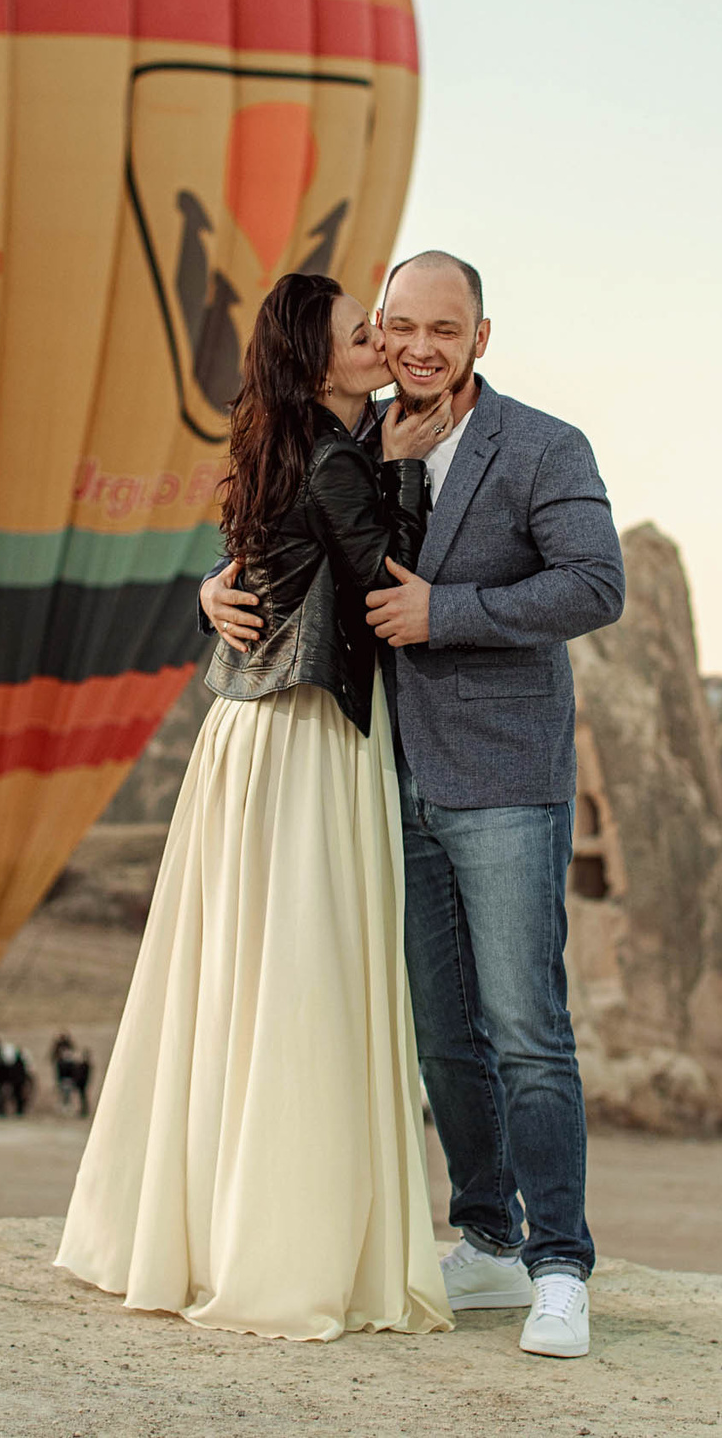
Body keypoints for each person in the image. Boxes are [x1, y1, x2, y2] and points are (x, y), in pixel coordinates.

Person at [201, 251, 624, 1359]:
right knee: (444, 1036)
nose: (419, 348)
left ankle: (559, 1266)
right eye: (401, 327)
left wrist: (452, 612)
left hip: (500, 779)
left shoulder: (542, 447)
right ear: (381, 331)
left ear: (482, 336)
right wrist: (209, 590)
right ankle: (484, 1237)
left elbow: (594, 584)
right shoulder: (353, 432)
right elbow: (275, 536)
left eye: (446, 328)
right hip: (380, 777)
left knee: (527, 1030)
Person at [57, 271, 454, 1343]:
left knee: (233, 975)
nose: (378, 342)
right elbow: (384, 584)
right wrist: (407, 478)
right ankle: (280, 1247)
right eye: (359, 332)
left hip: (251, 730)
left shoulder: (287, 446)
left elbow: (266, 569)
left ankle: (195, 1228)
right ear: (312, 359)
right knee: (301, 974)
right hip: (306, 735)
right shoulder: (336, 457)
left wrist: (207, 590)